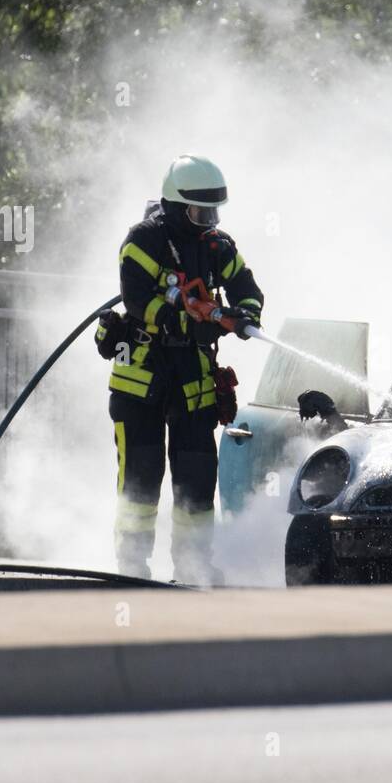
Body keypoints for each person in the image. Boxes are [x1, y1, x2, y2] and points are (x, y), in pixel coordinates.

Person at [107, 155, 263, 583]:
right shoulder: (143, 241)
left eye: (213, 212)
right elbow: (137, 299)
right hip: (142, 379)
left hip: (192, 380)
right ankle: (132, 569)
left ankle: (193, 568)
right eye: (199, 212)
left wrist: (245, 315)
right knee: (141, 476)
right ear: (176, 206)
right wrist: (182, 320)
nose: (207, 220)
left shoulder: (217, 245)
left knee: (196, 478)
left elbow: (246, 286)